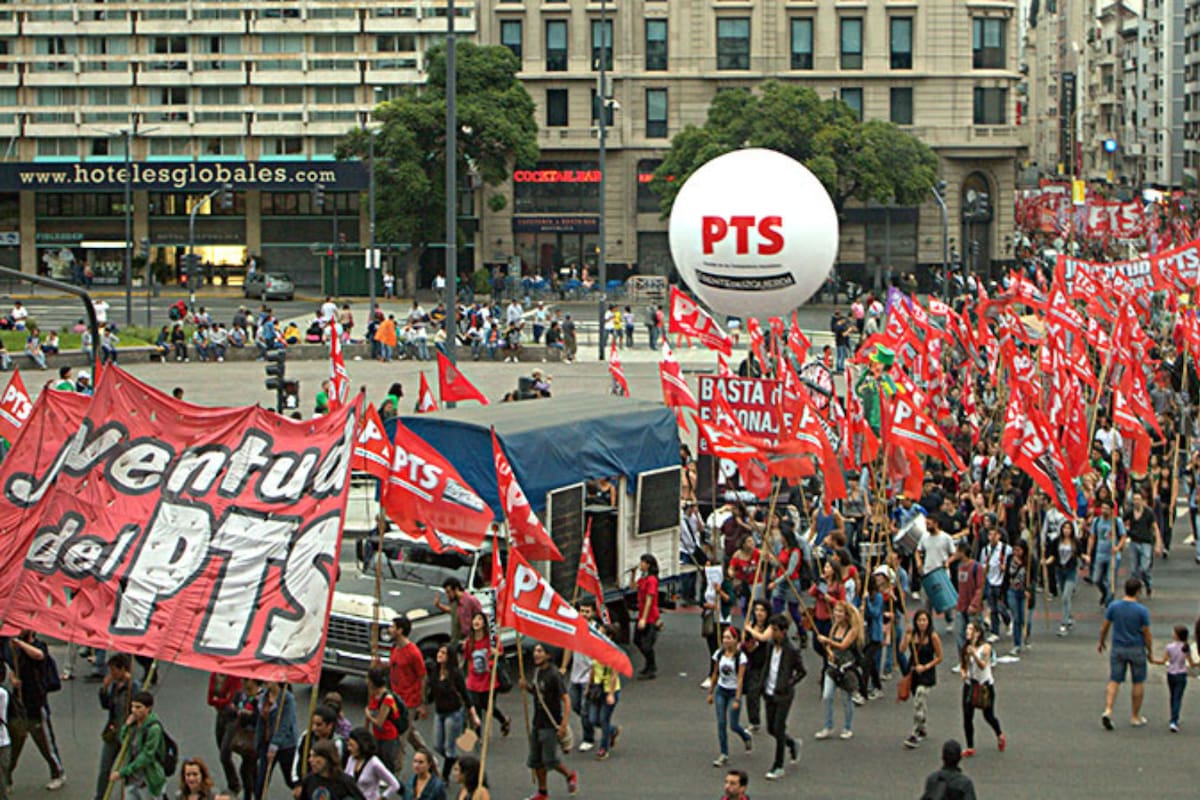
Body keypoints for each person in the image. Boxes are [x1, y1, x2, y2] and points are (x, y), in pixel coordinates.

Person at [8, 628, 65, 790]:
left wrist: (20, 644)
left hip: (36, 702)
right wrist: (13, 680)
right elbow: (12, 668)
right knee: (13, 744)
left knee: (45, 742)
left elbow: (39, 655)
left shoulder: (39, 646)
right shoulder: (15, 649)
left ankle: (58, 773)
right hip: (19, 703)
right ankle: (7, 778)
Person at [521, 643, 578, 799]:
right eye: (535, 651)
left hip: (550, 724)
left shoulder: (554, 675)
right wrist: (527, 687)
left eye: (540, 651)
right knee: (536, 760)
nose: (536, 654)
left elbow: (566, 700)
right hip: (537, 722)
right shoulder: (538, 671)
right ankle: (542, 792)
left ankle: (569, 775)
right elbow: (539, 693)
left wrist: (563, 725)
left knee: (550, 759)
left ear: (548, 655)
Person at [1098, 577, 1153, 730]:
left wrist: (1101, 641)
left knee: (1114, 680)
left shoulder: (1114, 607)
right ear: (1138, 591)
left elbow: (1105, 627)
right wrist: (1150, 651)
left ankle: (1108, 709)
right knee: (1138, 681)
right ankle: (1135, 716)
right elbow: (1147, 633)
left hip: (1118, 647)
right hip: (1136, 648)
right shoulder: (1142, 610)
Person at [382, 615, 429, 761]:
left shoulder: (413, 653)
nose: (389, 630)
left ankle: (395, 773)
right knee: (409, 733)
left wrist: (422, 703)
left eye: (392, 627)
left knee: (400, 739)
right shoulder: (395, 648)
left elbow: (422, 676)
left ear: (400, 630)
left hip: (409, 701)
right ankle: (429, 760)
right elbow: (393, 667)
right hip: (396, 697)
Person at [762, 614, 802, 781]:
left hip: (783, 694)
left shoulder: (791, 650)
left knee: (779, 728)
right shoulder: (770, 646)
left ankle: (778, 765)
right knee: (771, 728)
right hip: (769, 691)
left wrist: (789, 683)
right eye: (771, 629)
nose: (773, 633)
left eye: (776, 630)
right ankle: (792, 743)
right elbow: (767, 665)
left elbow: (802, 671)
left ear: (784, 632)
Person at [815, 600, 861, 741]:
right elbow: (831, 646)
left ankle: (847, 727)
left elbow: (842, 645)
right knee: (827, 696)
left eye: (840, 611)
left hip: (846, 669)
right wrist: (828, 650)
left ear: (846, 615)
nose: (837, 614)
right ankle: (828, 726)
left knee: (846, 699)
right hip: (832, 667)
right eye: (836, 611)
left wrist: (827, 641)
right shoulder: (834, 627)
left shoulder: (852, 630)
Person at [97, 654, 140, 800]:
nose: (112, 674)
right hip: (113, 731)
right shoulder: (115, 685)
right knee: (105, 768)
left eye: (114, 670)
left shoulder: (133, 687)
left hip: (128, 734)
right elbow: (107, 705)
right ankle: (100, 796)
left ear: (123, 669)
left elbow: (140, 708)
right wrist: (104, 689)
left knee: (126, 771)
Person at [426, 644, 474, 778]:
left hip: (453, 714)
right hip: (439, 712)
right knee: (437, 745)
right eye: (439, 652)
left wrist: (473, 714)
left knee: (449, 747)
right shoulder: (434, 671)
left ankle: (445, 776)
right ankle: (454, 760)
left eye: (443, 653)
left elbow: (465, 694)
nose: (439, 655)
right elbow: (432, 693)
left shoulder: (455, 674)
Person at [708, 626, 752, 766]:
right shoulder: (719, 654)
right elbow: (715, 674)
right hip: (721, 691)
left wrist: (737, 699)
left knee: (733, 724)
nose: (726, 641)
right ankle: (724, 753)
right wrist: (710, 692)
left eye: (729, 638)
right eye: (724, 638)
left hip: (733, 691)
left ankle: (745, 736)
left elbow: (740, 678)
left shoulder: (741, 657)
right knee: (721, 723)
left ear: (736, 640)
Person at [109, 691, 166, 800]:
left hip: (147, 781)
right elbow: (124, 742)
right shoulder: (134, 725)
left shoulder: (154, 729)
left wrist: (123, 772)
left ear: (148, 708)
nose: (134, 710)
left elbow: (146, 756)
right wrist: (126, 726)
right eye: (133, 707)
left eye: (138, 707)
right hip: (131, 780)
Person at [959, 621, 1003, 756]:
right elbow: (963, 665)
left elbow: (983, 665)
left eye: (970, 629)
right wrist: (963, 672)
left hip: (985, 685)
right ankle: (970, 746)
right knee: (967, 716)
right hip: (970, 684)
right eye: (967, 628)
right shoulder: (965, 647)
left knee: (988, 715)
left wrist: (974, 655)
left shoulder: (985, 648)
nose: (967, 631)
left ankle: (999, 734)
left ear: (977, 633)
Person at [901, 609, 944, 749]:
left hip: (926, 673)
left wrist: (926, 666)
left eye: (924, 620)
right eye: (919, 620)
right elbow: (901, 650)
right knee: (919, 701)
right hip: (913, 671)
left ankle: (915, 733)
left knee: (919, 698)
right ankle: (923, 725)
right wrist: (906, 637)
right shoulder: (912, 635)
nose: (922, 623)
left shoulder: (933, 637)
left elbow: (939, 657)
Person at [462, 612, 510, 738]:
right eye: (474, 619)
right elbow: (468, 658)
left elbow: (500, 653)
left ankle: (503, 720)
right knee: (475, 706)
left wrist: (495, 655)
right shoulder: (469, 642)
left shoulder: (491, 640)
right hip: (473, 679)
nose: (476, 621)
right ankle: (478, 735)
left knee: (488, 706)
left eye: (479, 619)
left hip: (488, 680)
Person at [1149, 624, 1200, 732]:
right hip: (1182, 674)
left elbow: (1163, 661)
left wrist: (1153, 660)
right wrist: (1198, 663)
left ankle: (1173, 716)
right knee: (1178, 697)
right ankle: (1174, 720)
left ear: (1176, 635)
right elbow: (1191, 663)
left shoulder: (1169, 647)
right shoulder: (1186, 647)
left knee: (1172, 696)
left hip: (1171, 673)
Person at [255, 681, 298, 797]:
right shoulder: (263, 697)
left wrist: (275, 744)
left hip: (285, 746)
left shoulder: (287, 699)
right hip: (266, 743)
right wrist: (258, 743)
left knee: (290, 779)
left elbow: (285, 724)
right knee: (261, 781)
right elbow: (260, 722)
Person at [586, 625, 622, 761]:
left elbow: (614, 675)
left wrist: (611, 694)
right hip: (597, 688)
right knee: (593, 719)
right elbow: (594, 668)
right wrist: (589, 686)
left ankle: (604, 748)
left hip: (609, 690)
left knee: (603, 719)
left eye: (600, 633)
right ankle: (612, 731)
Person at [1043, 520, 1082, 637]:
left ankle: (1064, 623)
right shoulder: (1057, 541)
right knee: (1065, 596)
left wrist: (1086, 557)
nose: (1066, 530)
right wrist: (1046, 562)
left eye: (1069, 528)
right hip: (1060, 570)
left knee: (1065, 596)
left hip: (1071, 571)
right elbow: (1053, 556)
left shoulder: (1075, 542)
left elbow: (1080, 554)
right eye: (1064, 528)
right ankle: (1069, 616)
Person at [293, 706, 347, 788]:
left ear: (330, 725)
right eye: (313, 724)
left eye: (319, 725)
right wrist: (297, 782)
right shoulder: (306, 737)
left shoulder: (337, 743)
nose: (314, 728)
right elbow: (297, 759)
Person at [365, 667, 404, 777]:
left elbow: (379, 722)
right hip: (378, 734)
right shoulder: (373, 694)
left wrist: (368, 715)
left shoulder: (387, 698)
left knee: (387, 759)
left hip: (388, 735)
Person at [1088, 499, 1127, 608]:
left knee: (1111, 581)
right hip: (1100, 553)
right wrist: (1088, 552)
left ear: (1111, 510)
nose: (1104, 510)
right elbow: (1092, 537)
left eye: (1106, 508)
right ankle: (1105, 593)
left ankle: (1109, 602)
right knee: (1096, 579)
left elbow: (1123, 536)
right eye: (1102, 508)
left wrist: (1118, 547)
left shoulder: (1116, 521)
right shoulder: (1096, 521)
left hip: (1113, 555)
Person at [1124, 490, 1162, 597]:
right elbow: (1120, 522)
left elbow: (1156, 528)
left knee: (1144, 568)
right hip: (1134, 542)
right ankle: (1135, 590)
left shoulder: (1148, 512)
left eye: (1138, 499)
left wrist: (1158, 545)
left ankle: (1148, 584)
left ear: (1142, 501)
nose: (1136, 502)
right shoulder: (1130, 512)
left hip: (1146, 543)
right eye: (1134, 499)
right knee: (1133, 569)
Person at [344, 727, 401, 800]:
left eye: (352, 745)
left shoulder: (374, 763)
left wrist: (382, 797)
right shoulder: (351, 759)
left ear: (361, 745)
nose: (349, 748)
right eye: (348, 745)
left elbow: (395, 785)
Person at [298, 740, 363, 800]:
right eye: (310, 756)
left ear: (327, 759)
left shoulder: (345, 782)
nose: (310, 760)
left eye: (315, 756)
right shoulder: (309, 781)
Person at [632, 554, 662, 679]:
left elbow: (650, 599)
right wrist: (633, 574)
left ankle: (652, 666)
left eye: (642, 562)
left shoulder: (652, 580)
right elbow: (633, 586)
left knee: (647, 644)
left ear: (648, 565)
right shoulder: (643, 579)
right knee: (637, 640)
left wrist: (644, 618)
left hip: (650, 616)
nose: (640, 565)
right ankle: (649, 664)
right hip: (642, 613)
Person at [436, 578, 484, 648]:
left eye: (449, 592)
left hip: (470, 640)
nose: (447, 595)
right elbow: (453, 611)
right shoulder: (454, 601)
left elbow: (481, 620)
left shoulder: (471, 600)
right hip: (456, 639)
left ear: (456, 589)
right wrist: (439, 605)